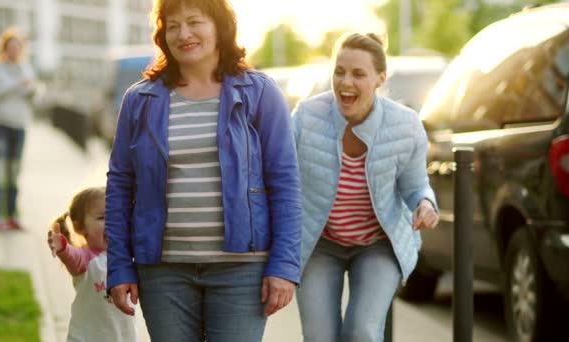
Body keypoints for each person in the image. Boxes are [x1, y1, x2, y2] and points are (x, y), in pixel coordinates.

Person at [105, 0, 302, 341]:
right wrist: (120, 266)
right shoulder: (140, 101)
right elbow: (121, 186)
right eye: (173, 25)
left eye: (195, 22)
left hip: (242, 269)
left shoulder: (260, 93)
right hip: (163, 271)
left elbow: (284, 182)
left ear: (219, 26)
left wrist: (284, 266)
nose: (184, 34)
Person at [292, 32, 440, 342]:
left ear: (379, 79)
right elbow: (282, 179)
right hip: (319, 243)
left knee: (362, 332)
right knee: (319, 337)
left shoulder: (406, 125)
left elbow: (416, 186)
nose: (345, 82)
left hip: (377, 244)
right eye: (339, 71)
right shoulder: (306, 118)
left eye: (358, 74)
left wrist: (425, 204)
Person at [47, 186, 137, 342]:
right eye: (102, 218)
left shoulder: (126, 256)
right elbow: (72, 256)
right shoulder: (85, 258)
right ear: (79, 227)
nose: (111, 223)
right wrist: (63, 247)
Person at [0, 27, 37, 231]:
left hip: (19, 126)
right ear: (4, 48)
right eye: (11, 46)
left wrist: (31, 90)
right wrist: (18, 85)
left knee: (14, 173)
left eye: (18, 46)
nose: (14, 50)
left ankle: (12, 215)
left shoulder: (26, 68)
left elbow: (32, 94)